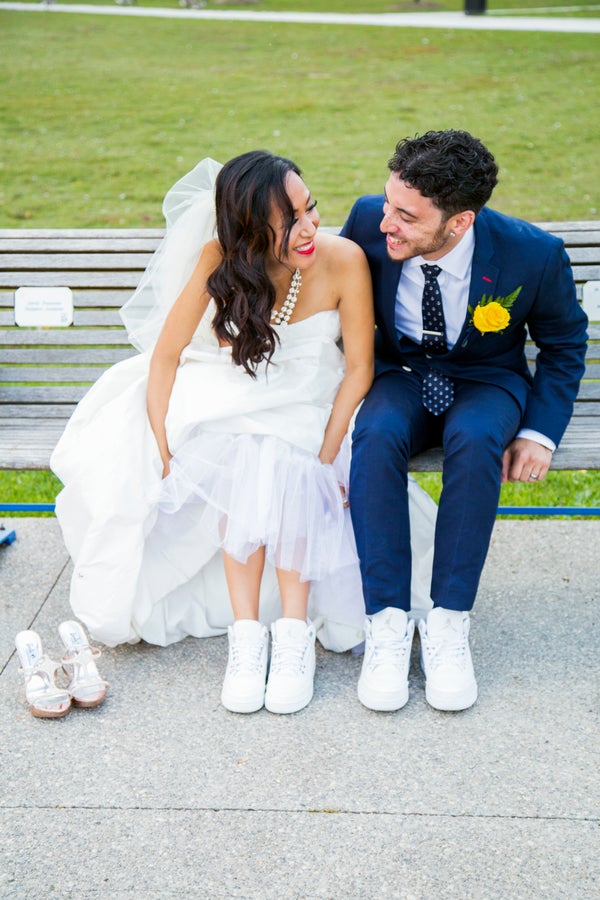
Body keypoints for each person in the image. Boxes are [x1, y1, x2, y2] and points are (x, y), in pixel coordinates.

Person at [51, 150, 437, 716]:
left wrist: (329, 455)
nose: (309, 229)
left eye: (312, 209)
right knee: (247, 451)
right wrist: (161, 442)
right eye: (291, 222)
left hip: (313, 400)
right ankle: (247, 637)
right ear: (252, 230)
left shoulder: (344, 259)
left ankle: (293, 636)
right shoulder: (219, 259)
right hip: (238, 392)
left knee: (287, 459)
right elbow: (166, 357)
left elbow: (359, 369)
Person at [341, 129, 588, 713]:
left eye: (406, 215)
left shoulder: (533, 253)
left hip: (484, 381)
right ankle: (388, 622)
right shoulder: (367, 221)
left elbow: (563, 342)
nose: (386, 224)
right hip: (399, 374)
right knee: (372, 435)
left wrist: (538, 432)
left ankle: (449, 622)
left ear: (459, 222)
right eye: (388, 203)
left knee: (477, 441)